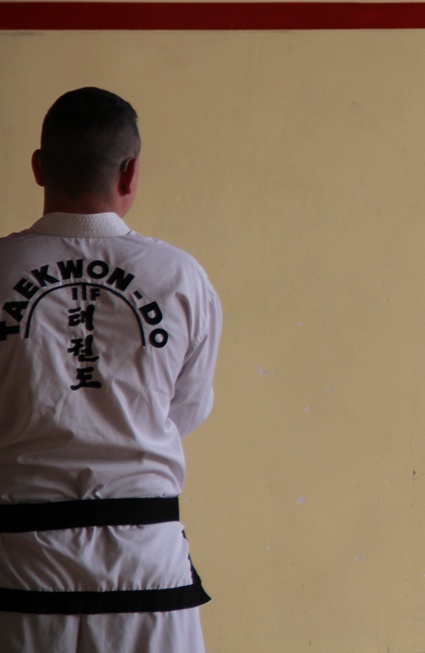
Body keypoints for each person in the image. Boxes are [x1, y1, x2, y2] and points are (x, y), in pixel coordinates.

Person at [0, 87, 221, 652]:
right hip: (148, 568)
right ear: (130, 172)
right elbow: (185, 410)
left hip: (21, 569)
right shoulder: (180, 277)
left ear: (38, 167)